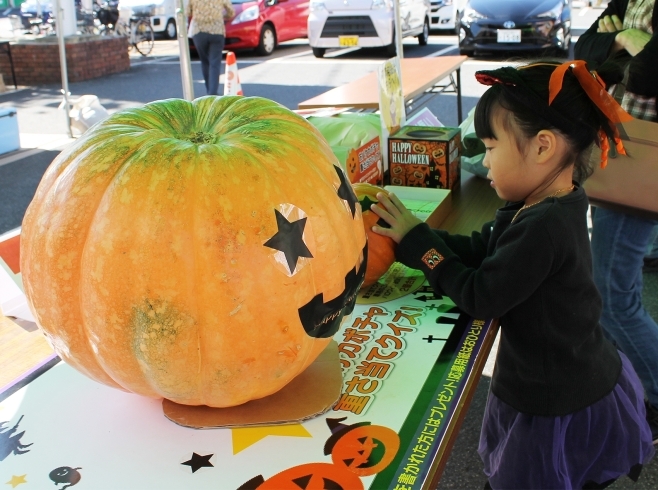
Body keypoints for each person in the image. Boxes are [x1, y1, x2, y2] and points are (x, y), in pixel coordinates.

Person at [370, 61, 655, 489]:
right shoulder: (544, 202)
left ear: (542, 147)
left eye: (490, 147)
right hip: (571, 373)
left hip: (558, 397)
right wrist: (419, 238)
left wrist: (424, 251)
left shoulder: (545, 227)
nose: (485, 161)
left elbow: (482, 294)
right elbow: (487, 247)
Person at [575, 0, 658, 444]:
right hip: (625, 150)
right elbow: (585, 51)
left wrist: (623, 48)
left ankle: (655, 397)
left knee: (613, 294)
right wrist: (627, 39)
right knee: (612, 287)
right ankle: (637, 387)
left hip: (645, 162)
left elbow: (646, 75)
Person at [185, 0, 235, 96]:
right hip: (217, 30)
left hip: (199, 31)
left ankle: (209, 90)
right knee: (214, 63)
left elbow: (188, 12)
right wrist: (222, 16)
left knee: (205, 61)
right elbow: (231, 12)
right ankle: (213, 92)